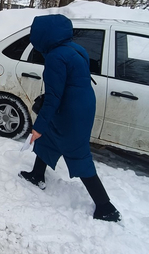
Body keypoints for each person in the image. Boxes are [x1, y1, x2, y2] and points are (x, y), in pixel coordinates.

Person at [19, 14, 121, 222]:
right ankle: (37, 174)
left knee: (77, 152)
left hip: (71, 111)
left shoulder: (56, 57)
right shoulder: (75, 48)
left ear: (44, 35)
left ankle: (105, 206)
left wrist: (38, 125)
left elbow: (54, 97)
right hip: (80, 103)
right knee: (48, 138)